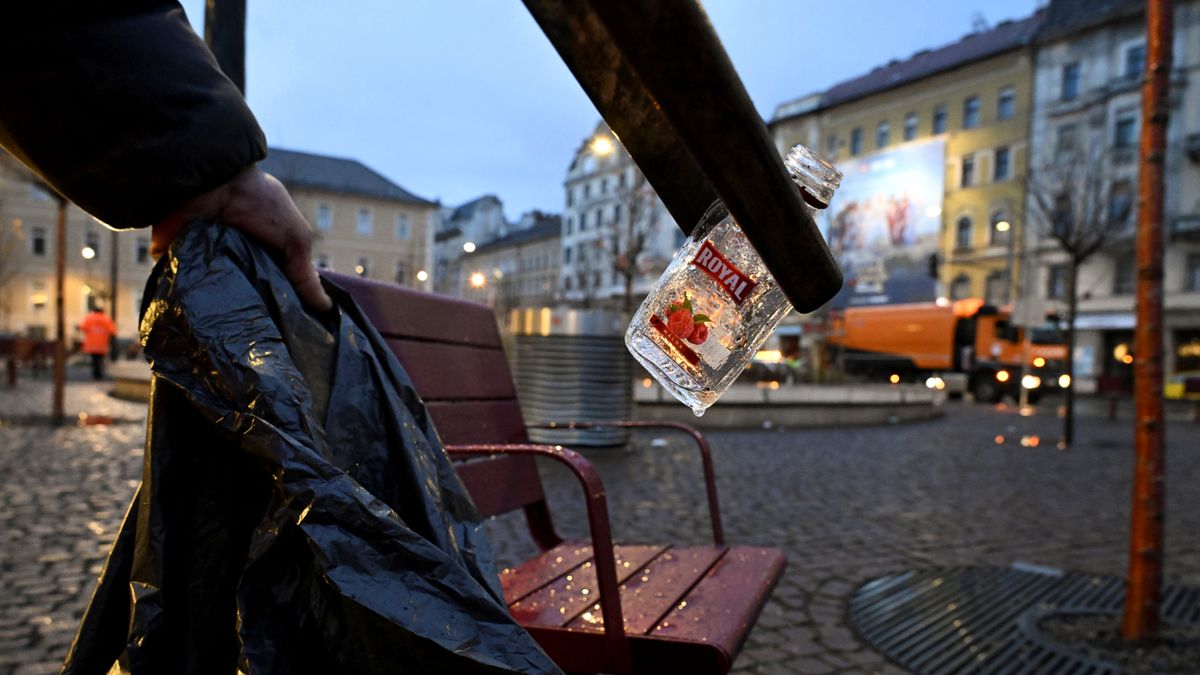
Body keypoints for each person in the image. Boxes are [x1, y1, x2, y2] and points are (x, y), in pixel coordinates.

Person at [78, 304, 116, 380]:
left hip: (92, 344)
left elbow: (83, 327)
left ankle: (96, 373)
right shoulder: (106, 319)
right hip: (102, 343)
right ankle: (99, 373)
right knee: (100, 359)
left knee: (94, 359)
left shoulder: (89, 318)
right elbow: (112, 331)